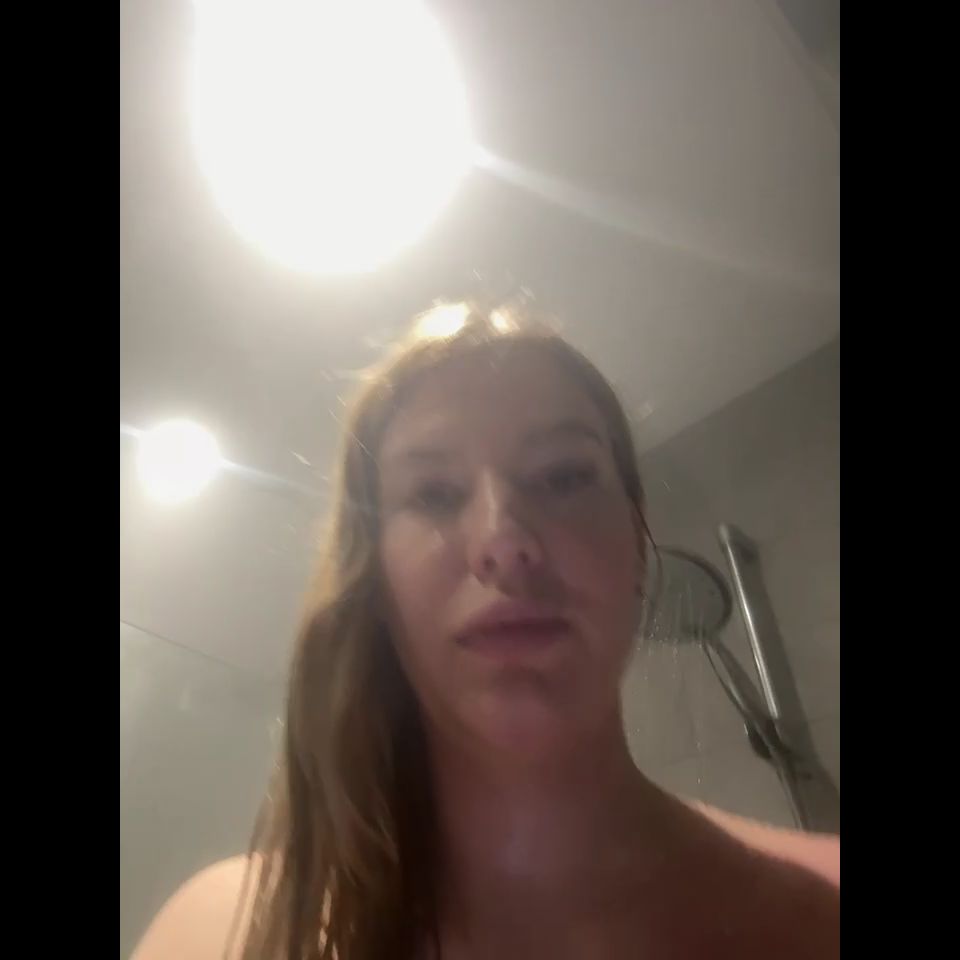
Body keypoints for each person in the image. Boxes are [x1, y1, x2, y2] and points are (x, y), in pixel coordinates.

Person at [131, 302, 840, 960]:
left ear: (636, 534)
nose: (505, 542)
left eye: (562, 476)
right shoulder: (221, 932)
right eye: (434, 493)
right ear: (374, 578)